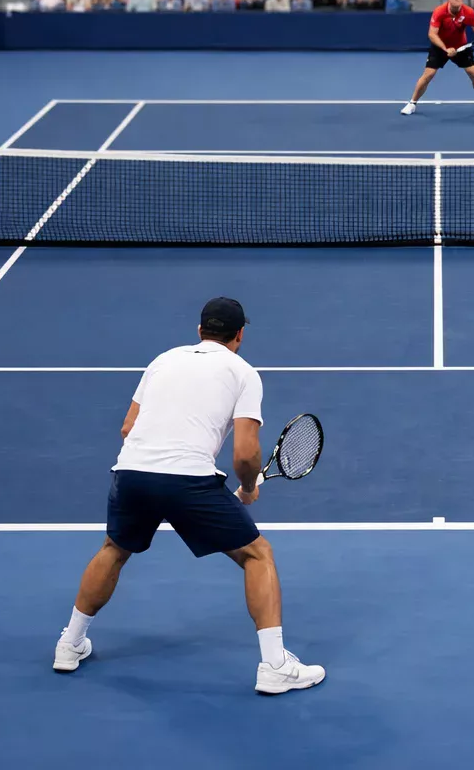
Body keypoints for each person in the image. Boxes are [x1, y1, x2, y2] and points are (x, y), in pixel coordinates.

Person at [53, 297, 324, 695]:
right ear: (240, 335)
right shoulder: (244, 373)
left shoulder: (162, 360)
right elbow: (246, 454)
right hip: (187, 482)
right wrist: (249, 488)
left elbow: (129, 427)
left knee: (114, 547)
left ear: (200, 330)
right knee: (256, 554)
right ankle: (275, 666)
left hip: (131, 472)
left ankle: (69, 643)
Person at [402, 0, 474, 115]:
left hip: (461, 46)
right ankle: (412, 103)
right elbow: (432, 34)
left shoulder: (468, 12)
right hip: (440, 46)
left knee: (473, 73)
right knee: (428, 74)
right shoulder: (439, 12)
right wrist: (445, 49)